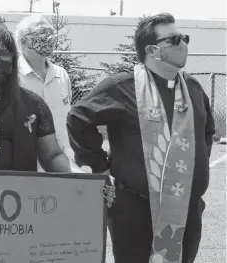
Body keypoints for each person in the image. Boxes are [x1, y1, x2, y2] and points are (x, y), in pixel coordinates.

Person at [67, 13, 215, 263]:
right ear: (152, 49)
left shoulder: (192, 88)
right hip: (135, 212)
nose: (183, 45)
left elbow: (207, 132)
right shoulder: (122, 87)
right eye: (175, 40)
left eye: (184, 38)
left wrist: (192, 166)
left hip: (186, 211)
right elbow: (79, 118)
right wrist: (99, 167)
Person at [15, 15, 82, 172]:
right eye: (41, 32)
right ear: (23, 41)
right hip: (28, 168)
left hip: (64, 164)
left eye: (51, 32)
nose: (48, 38)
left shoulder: (61, 75)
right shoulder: (12, 76)